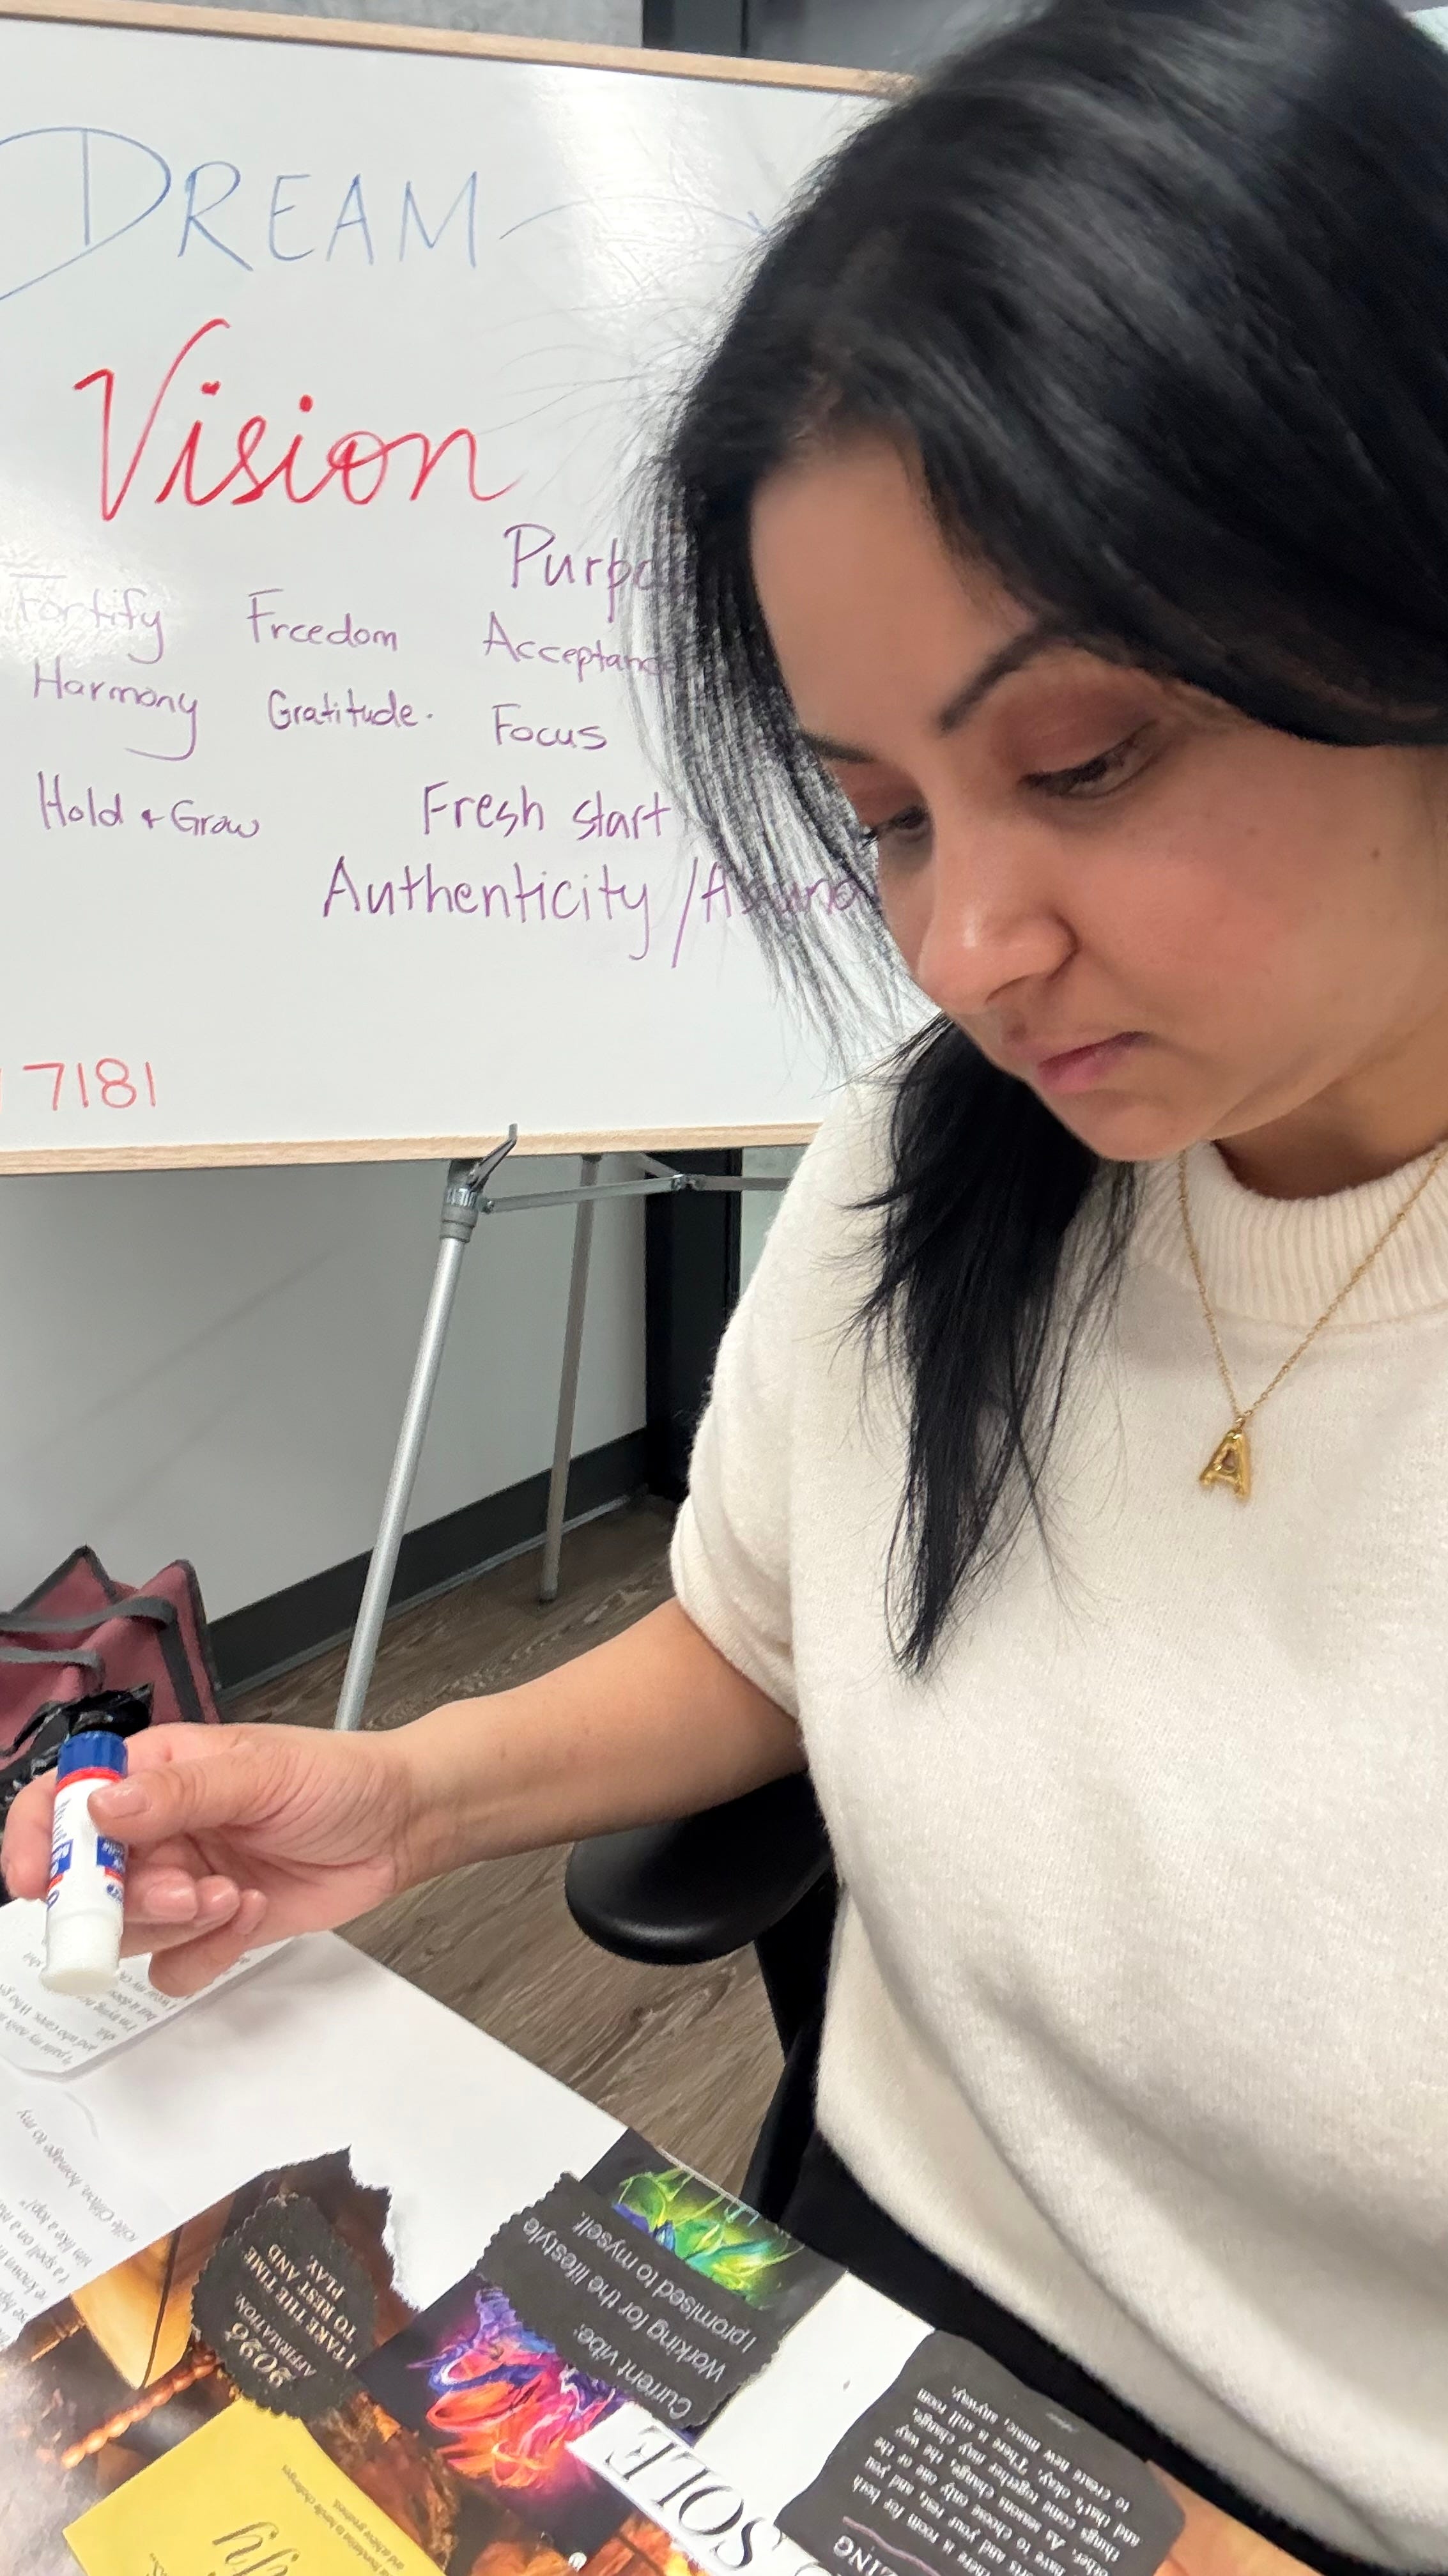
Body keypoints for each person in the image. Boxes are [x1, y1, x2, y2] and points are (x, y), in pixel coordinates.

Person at [8, 0, 1448, 2561]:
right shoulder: (949, 1155)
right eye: (881, 814)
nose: (970, 948)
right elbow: (778, 1635)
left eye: (1085, 761)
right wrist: (406, 1795)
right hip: (830, 2339)